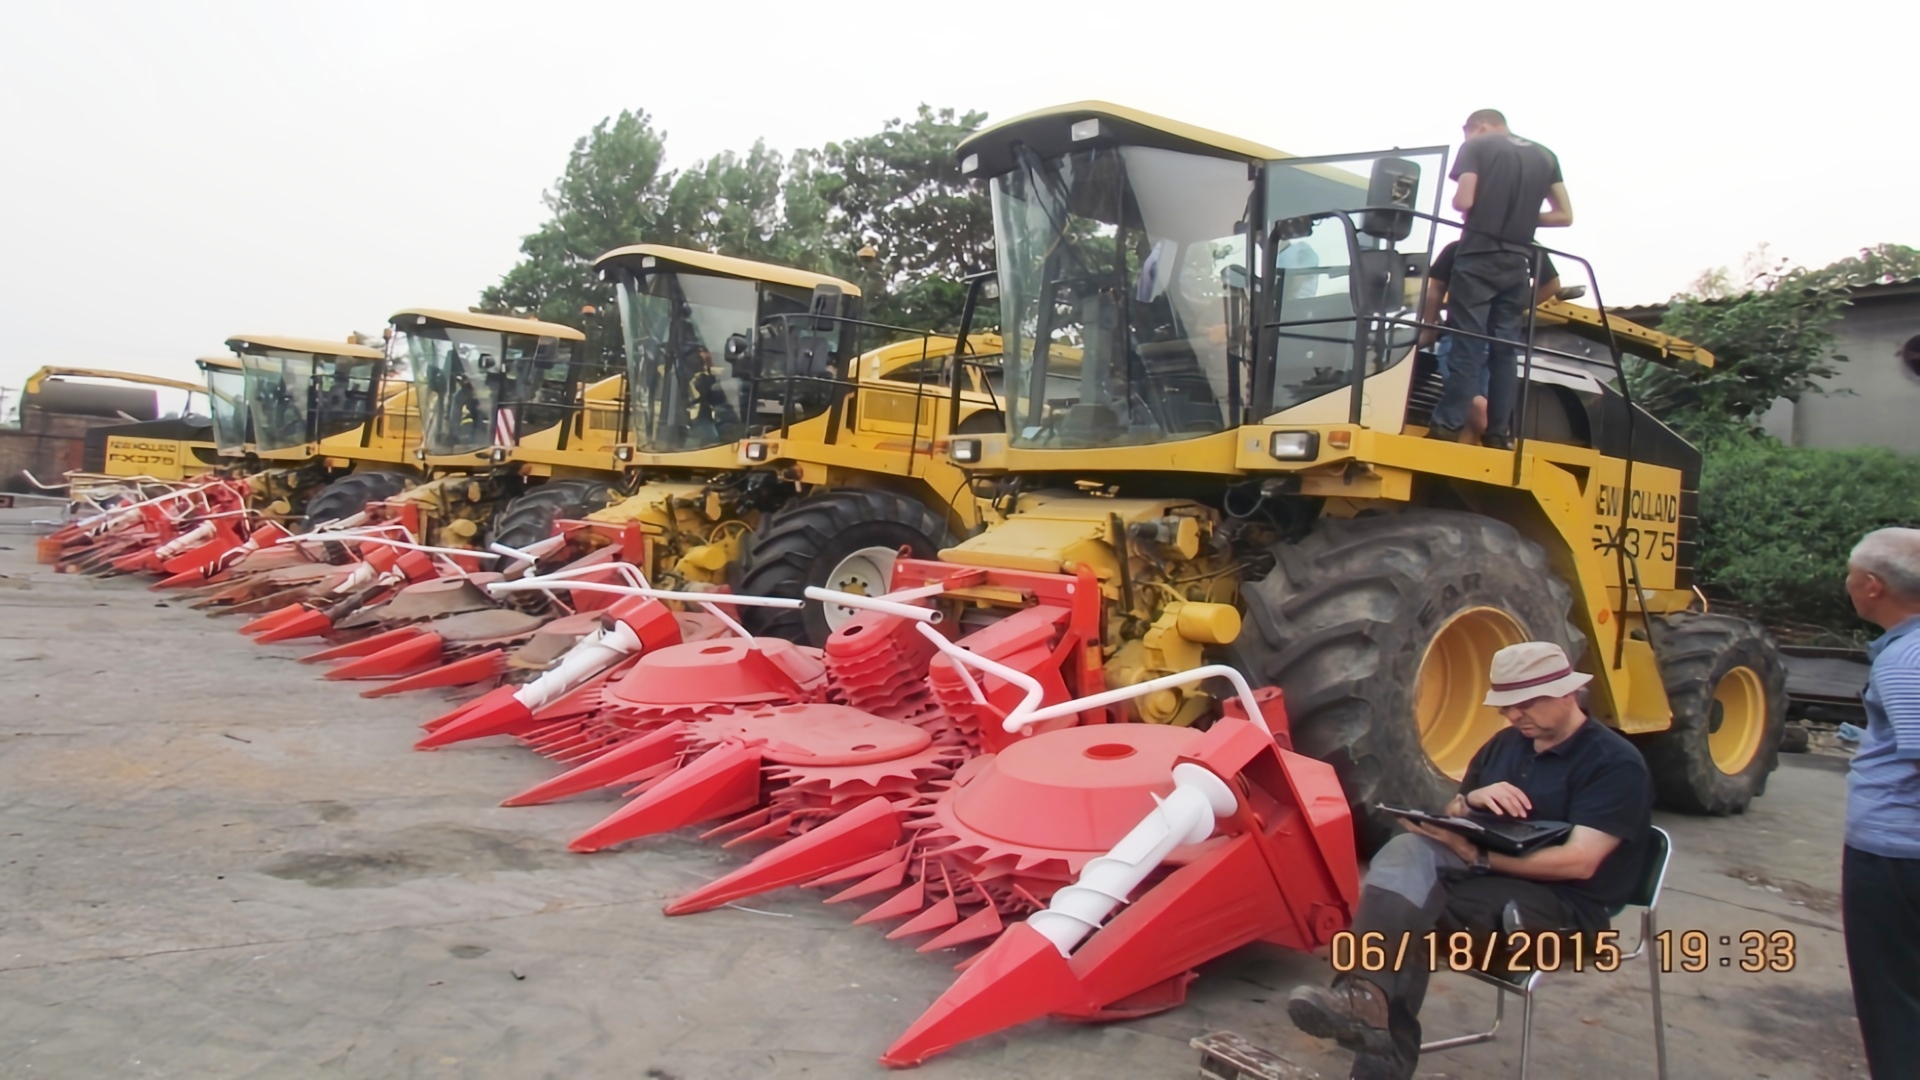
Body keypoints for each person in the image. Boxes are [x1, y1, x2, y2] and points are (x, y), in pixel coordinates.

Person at [1287, 641, 1652, 1080]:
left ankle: (1367, 1015)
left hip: (1566, 911)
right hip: (1486, 880)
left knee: (1414, 917)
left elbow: (1579, 863)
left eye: (1524, 704)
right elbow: (1456, 813)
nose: (1513, 716)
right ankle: (1365, 1002)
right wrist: (1469, 802)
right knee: (1406, 852)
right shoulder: (1507, 744)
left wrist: (1477, 855)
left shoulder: (1615, 764)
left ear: (1566, 691)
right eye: (1505, 707)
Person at [1430, 110, 1573, 450]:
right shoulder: (1545, 155)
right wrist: (1525, 217)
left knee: (1467, 342)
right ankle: (1498, 432)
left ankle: (1448, 425)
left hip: (1478, 256)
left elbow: (1464, 200)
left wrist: (1477, 207)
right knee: (1505, 351)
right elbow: (1564, 215)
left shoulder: (1476, 147)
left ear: (1477, 127)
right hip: (1518, 262)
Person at [1840, 527, 1920, 1078]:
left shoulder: (1904, 659)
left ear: (1872, 586)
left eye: (1849, 575)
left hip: (1896, 857)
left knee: (1894, 1005)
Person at [1419, 241, 1564, 444]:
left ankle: (1463, 431)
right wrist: (1516, 306)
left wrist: (1429, 327)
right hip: (1500, 340)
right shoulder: (1527, 247)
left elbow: (1435, 288)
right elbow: (1552, 285)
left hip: (1460, 335)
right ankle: (1493, 438)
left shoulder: (1461, 247)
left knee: (1469, 398)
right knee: (1486, 400)